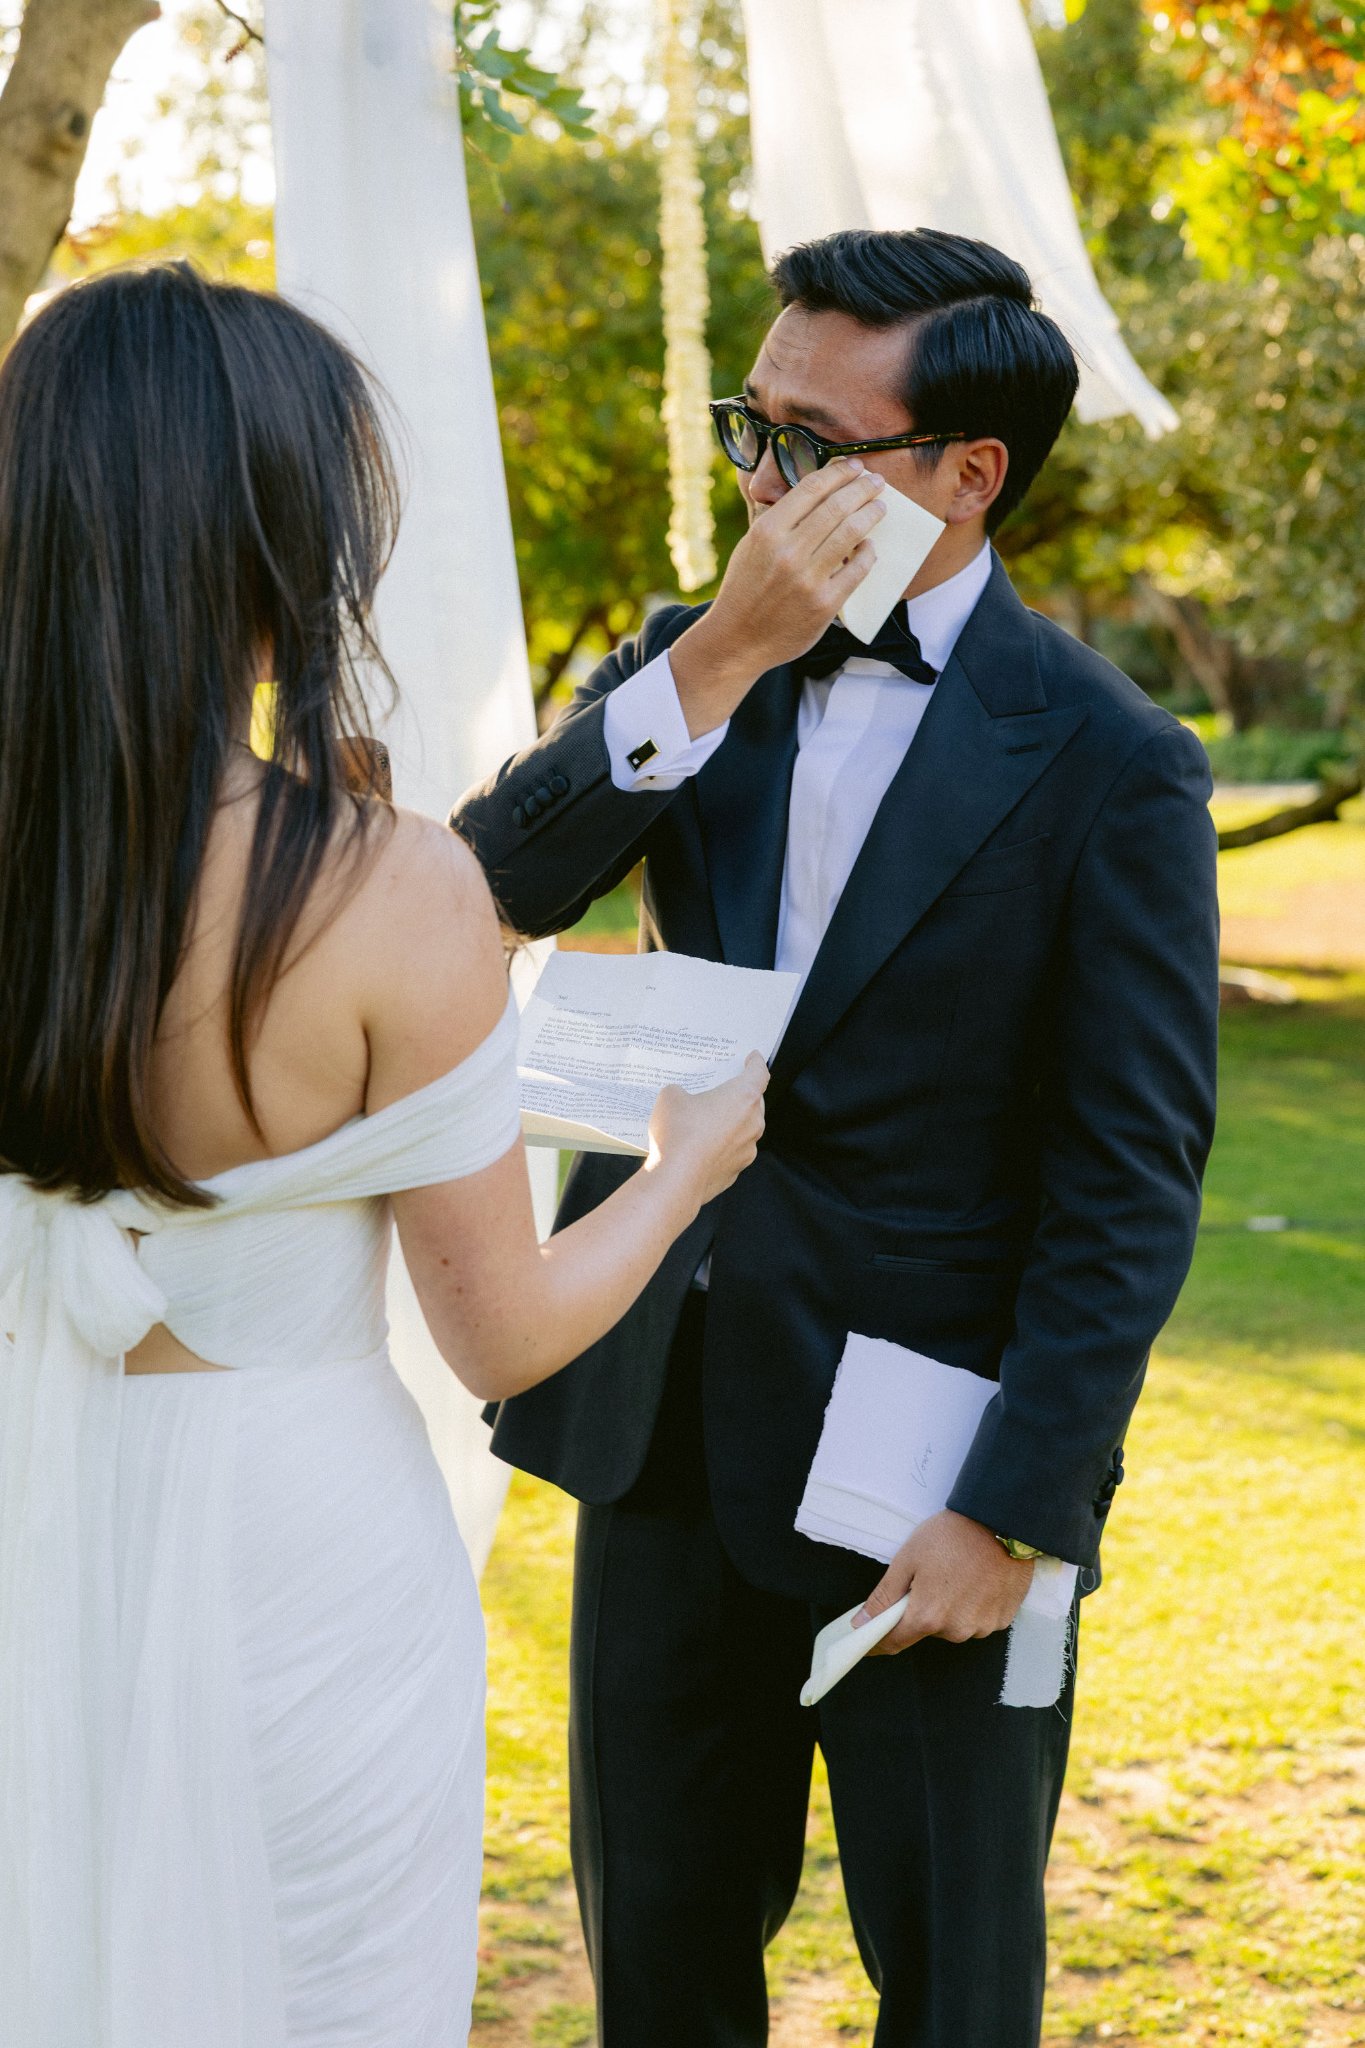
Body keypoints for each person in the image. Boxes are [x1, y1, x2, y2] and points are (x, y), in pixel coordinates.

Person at [452, 227, 1220, 2048]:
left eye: (810, 445)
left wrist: (1013, 1512)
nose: (759, 478)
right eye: (748, 425)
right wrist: (722, 653)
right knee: (658, 1967)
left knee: (952, 1982)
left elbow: (1126, 1184)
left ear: (967, 475)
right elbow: (482, 889)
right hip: (659, 1435)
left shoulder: (1113, 760)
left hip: (924, 1485)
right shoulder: (691, 664)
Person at [0, 262, 767, 2048]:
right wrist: (682, 1168)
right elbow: (499, 1334)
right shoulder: (391, 888)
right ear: (264, 551)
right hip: (295, 1565)